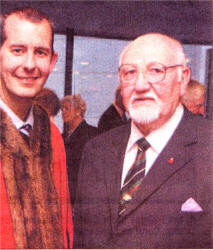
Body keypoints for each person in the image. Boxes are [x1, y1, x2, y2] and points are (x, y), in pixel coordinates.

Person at [74, 33, 212, 249]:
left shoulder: (208, 147)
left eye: (156, 71)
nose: (140, 85)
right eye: (130, 72)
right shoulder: (97, 151)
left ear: (183, 78)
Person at [0, 7, 73, 249]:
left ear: (52, 61)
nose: (30, 64)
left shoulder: (51, 134)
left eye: (40, 52)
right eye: (18, 50)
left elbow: (65, 227)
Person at [61, 94, 98, 206]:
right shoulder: (62, 137)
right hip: (65, 193)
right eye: (62, 109)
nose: (63, 112)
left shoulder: (93, 134)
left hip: (83, 195)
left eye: (67, 108)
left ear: (78, 111)